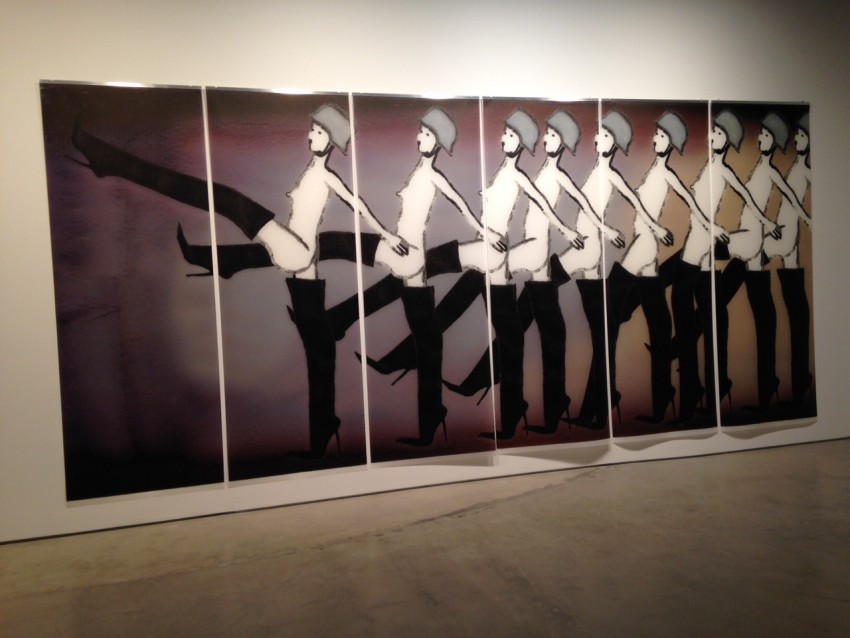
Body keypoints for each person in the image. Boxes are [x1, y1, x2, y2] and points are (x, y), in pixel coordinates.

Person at [71, 103, 408, 459]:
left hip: (298, 251)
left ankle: (114, 164)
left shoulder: (325, 176)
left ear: (329, 142)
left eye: (318, 131)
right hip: (302, 265)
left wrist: (387, 235)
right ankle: (324, 426)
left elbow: (358, 205)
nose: (311, 134)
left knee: (230, 202)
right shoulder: (313, 171)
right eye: (313, 128)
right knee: (318, 348)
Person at [610, 111, 728, 424]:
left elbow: (690, 200)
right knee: (659, 321)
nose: (655, 139)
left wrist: (710, 227)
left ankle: (661, 392)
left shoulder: (665, 173)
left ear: (671, 143)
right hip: (646, 246)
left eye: (662, 136)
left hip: (645, 244)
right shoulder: (655, 170)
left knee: (610, 302)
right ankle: (663, 395)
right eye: (656, 134)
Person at [568, 110, 673, 428]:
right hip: (625, 248)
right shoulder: (601, 172)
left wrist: (653, 228)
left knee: (608, 326)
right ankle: (619, 400)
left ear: (613, 143)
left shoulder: (613, 174)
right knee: (626, 325)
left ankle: (601, 405)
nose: (596, 138)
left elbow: (633, 199)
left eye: (604, 135)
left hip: (624, 248)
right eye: (598, 133)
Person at [721, 112, 806, 412]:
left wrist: (806, 220)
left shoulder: (771, 170)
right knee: (755, 304)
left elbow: (790, 197)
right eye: (761, 134)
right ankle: (768, 384)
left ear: (774, 142)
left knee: (707, 260)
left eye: (766, 135)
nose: (759, 138)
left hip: (757, 238)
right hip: (757, 239)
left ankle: (679, 346)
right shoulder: (764, 167)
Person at [763, 112, 813, 408]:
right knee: (795, 303)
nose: (797, 140)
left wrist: (810, 219)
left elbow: (795, 200)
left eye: (802, 136)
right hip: (785, 234)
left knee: (739, 263)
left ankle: (797, 379)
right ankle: (800, 379)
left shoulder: (805, 169)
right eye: (797, 135)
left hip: (785, 235)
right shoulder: (797, 165)